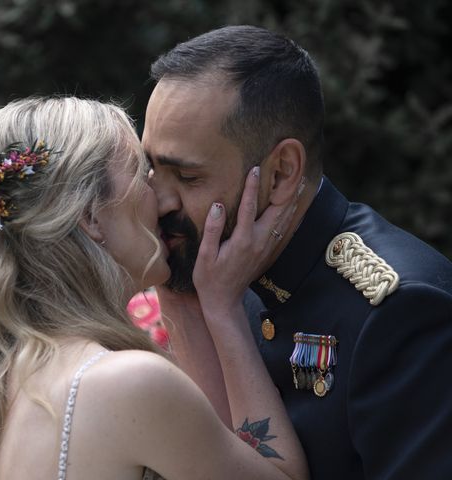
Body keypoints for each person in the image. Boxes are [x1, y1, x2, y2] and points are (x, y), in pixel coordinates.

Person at [0, 96, 309, 480]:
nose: (162, 200)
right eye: (143, 174)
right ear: (91, 217)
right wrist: (224, 310)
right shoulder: (129, 384)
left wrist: (175, 290)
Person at [142, 25, 452, 480]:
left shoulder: (402, 308)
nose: (160, 201)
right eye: (150, 167)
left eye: (187, 178)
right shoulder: (218, 274)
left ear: (282, 173)